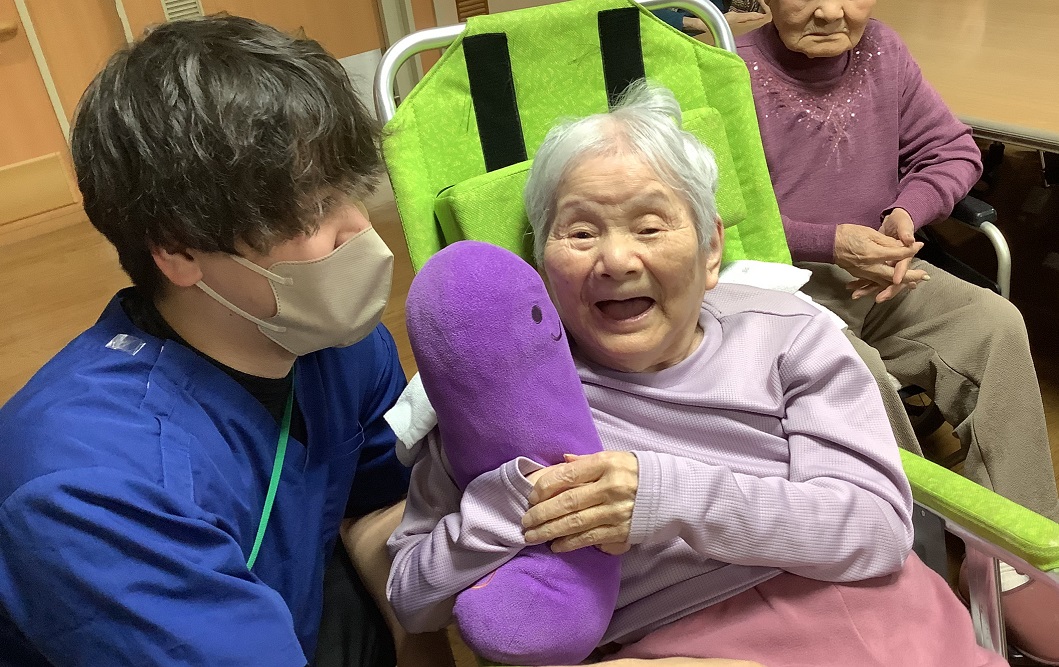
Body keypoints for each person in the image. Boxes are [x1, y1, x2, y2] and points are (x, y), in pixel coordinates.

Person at [386, 82, 1005, 666]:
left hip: (888, 622)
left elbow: (876, 527)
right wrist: (519, 501)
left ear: (711, 250)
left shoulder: (787, 335)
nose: (616, 259)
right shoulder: (502, 400)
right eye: (580, 231)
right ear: (541, 262)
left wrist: (664, 499)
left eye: (650, 227)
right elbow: (412, 597)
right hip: (685, 648)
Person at [0, 16, 428, 666]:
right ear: (178, 250)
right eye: (312, 209)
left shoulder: (337, 346)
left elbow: (387, 503)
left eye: (348, 189)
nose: (357, 228)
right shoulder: (89, 494)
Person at [737, 2, 1059, 661]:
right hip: (775, 285)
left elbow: (952, 150)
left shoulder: (882, 51)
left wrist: (905, 215)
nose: (829, 8)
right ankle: (908, 571)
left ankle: (1019, 559)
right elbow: (713, 213)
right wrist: (829, 242)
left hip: (880, 269)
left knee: (994, 324)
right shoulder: (730, 70)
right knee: (857, 375)